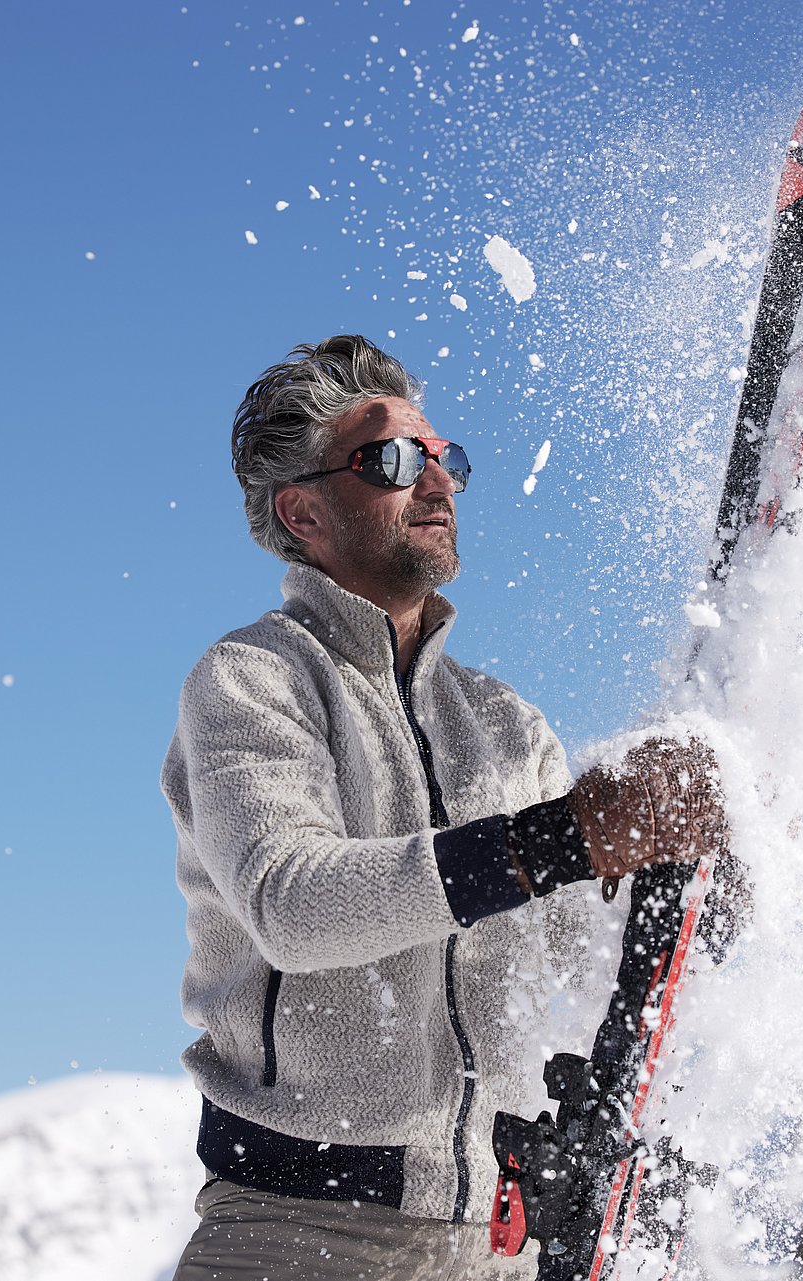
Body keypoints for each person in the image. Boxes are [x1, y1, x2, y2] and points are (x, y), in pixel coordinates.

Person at [163, 335, 734, 1279]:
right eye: (391, 461)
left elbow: (570, 955)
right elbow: (292, 904)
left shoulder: (505, 724)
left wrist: (692, 866)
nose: (437, 483)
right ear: (301, 510)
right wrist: (573, 834)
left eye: (445, 457)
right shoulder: (253, 680)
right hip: (296, 1236)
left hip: (494, 1245)